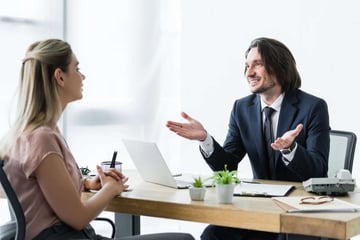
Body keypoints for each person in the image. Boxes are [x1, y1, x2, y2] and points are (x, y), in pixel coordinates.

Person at [0, 39, 195, 240]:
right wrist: (111, 188)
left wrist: (86, 183)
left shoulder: (24, 134)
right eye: (76, 68)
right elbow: (78, 218)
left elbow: (41, 190)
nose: (82, 76)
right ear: (60, 77)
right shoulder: (43, 139)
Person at [166, 37, 330, 240]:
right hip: (259, 211)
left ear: (280, 68)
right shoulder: (241, 108)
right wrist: (205, 139)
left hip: (298, 214)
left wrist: (291, 149)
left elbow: (319, 170)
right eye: (247, 66)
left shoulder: (313, 107)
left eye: (258, 64)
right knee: (212, 235)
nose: (249, 73)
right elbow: (228, 165)